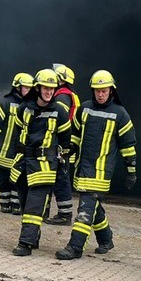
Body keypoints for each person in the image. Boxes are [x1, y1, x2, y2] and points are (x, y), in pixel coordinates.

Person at [55, 70, 137, 260]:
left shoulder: (120, 114)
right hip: (83, 168)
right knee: (94, 207)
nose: (101, 94)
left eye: (104, 90)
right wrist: (69, 152)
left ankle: (75, 247)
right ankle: (106, 239)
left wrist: (131, 169)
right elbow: (75, 134)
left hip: (101, 172)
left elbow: (128, 144)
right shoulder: (84, 109)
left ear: (111, 90)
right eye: (97, 91)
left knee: (85, 209)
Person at [10, 69, 72, 256]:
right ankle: (33, 237)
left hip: (45, 165)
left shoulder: (60, 111)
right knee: (23, 202)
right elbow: (16, 134)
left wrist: (63, 163)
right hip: (23, 163)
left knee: (34, 205)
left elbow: (66, 139)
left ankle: (25, 243)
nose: (49, 92)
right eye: (45, 88)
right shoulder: (24, 108)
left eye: (52, 89)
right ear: (37, 88)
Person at [0, 72, 34, 213]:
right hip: (4, 150)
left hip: (20, 152)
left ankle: (17, 205)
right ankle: (4, 204)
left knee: (18, 179)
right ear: (17, 88)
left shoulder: (31, 106)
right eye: (26, 88)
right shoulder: (5, 104)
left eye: (31, 88)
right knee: (4, 180)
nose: (29, 91)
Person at [44, 63, 81, 225]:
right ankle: (58, 213)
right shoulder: (67, 94)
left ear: (61, 79)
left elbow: (59, 119)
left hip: (60, 147)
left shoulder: (62, 96)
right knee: (57, 179)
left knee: (59, 180)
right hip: (65, 146)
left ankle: (65, 215)